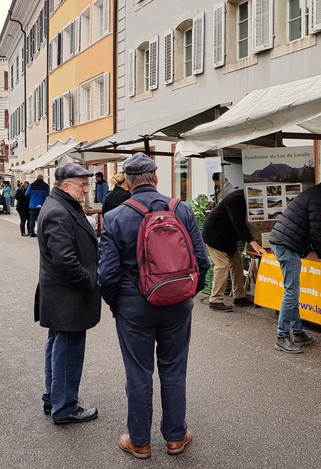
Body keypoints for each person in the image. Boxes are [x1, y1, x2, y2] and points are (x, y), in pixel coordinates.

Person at [98, 153, 209, 459]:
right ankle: (175, 438)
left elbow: (106, 274)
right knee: (173, 370)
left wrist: (118, 304)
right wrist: (186, 294)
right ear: (156, 179)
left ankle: (140, 442)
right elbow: (202, 262)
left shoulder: (116, 216)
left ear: (129, 183)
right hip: (176, 304)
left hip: (134, 306)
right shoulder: (181, 210)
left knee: (138, 373)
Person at [35, 163, 101, 425]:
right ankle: (65, 407)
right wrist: (89, 282)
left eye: (87, 185)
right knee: (68, 351)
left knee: (59, 347)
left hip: (62, 295)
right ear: (66, 186)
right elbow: (65, 260)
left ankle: (54, 398)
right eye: (82, 185)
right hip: (67, 295)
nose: (86, 190)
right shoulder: (58, 211)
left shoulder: (61, 205)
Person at [268, 171, 321, 354]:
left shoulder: (316, 194)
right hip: (286, 245)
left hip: (283, 243)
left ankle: (297, 332)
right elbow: (316, 233)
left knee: (293, 291)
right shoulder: (318, 198)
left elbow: (310, 229)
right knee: (292, 292)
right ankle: (281, 337)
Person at [202, 189, 266, 311]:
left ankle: (239, 297)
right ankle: (215, 300)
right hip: (214, 235)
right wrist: (253, 243)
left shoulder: (248, 199)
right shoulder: (235, 198)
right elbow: (238, 223)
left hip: (228, 239)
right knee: (222, 266)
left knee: (237, 263)